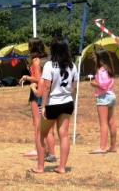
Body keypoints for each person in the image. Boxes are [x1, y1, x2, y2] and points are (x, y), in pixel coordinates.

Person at [30, 38, 78, 174]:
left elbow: (46, 87)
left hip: (53, 103)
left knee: (40, 134)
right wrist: (71, 101)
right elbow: (73, 88)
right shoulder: (72, 66)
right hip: (67, 103)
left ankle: (40, 167)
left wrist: (44, 106)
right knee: (64, 135)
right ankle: (62, 167)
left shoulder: (49, 65)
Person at [19, 38, 56, 162]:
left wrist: (26, 77)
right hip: (47, 92)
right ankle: (46, 150)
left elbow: (39, 79)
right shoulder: (48, 59)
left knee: (38, 123)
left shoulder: (36, 61)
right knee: (47, 124)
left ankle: (40, 149)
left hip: (37, 93)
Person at [89, 49, 117, 154]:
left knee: (103, 123)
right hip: (111, 96)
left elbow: (102, 85)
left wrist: (93, 84)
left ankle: (102, 147)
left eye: (96, 58)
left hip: (103, 97)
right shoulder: (110, 69)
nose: (95, 60)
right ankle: (113, 146)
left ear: (100, 60)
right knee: (111, 122)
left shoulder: (101, 70)